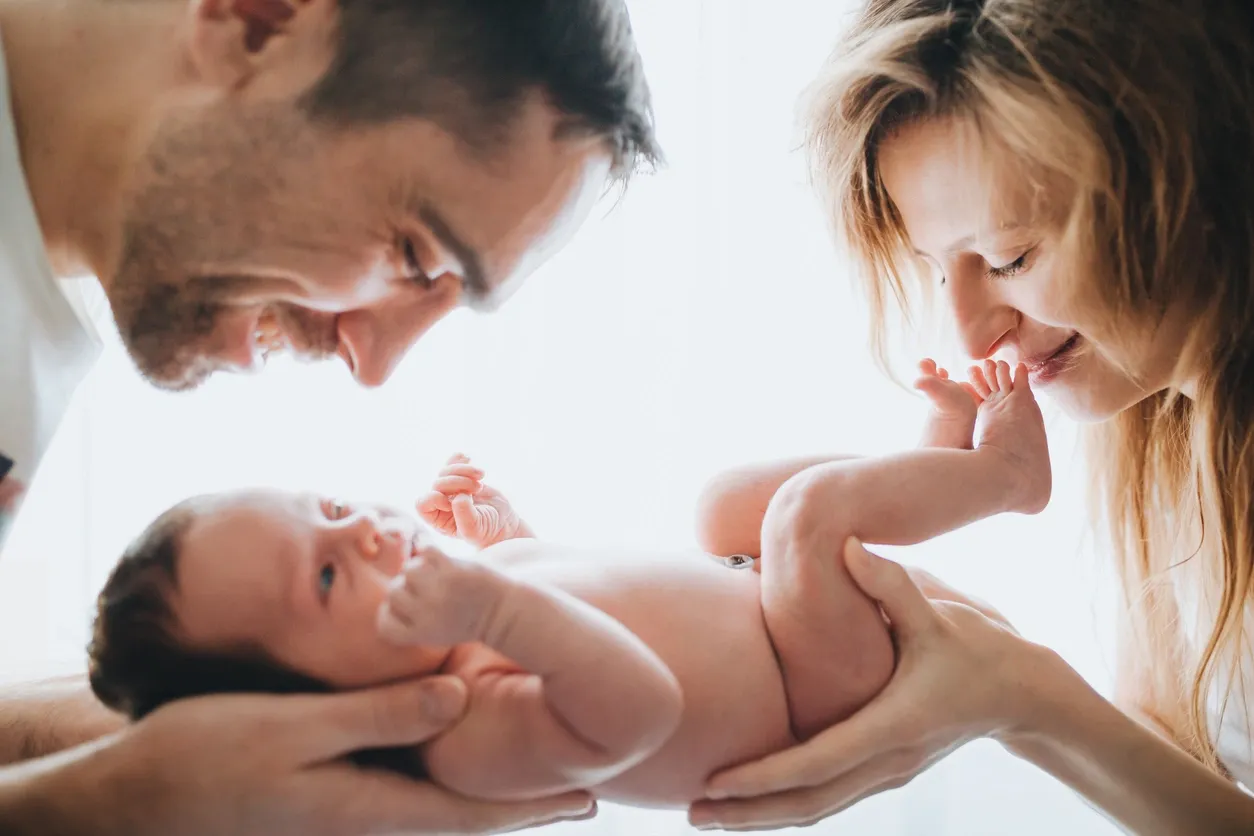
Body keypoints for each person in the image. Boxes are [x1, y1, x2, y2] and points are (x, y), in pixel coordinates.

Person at [0, 0, 660, 831]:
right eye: (413, 252)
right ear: (261, 20)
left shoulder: (38, 320)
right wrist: (90, 806)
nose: (375, 364)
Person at [686, 1, 1254, 833]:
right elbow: (1192, 784)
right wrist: (984, 648)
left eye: (1009, 258)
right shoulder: (1161, 436)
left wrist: (1025, 699)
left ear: (1196, 180)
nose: (972, 333)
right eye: (936, 268)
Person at [86, 360, 1044, 808]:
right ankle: (1005, 479)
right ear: (312, 704)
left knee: (722, 504)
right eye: (331, 571)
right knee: (802, 518)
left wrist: (513, 541)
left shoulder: (465, 612)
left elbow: (590, 608)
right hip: (812, 691)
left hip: (765, 606)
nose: (367, 528)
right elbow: (631, 707)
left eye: (330, 505)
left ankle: (929, 472)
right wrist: (500, 598)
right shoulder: (461, 735)